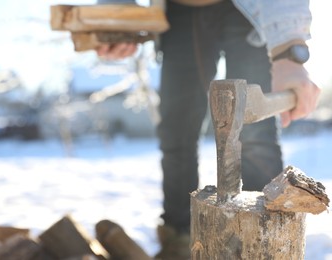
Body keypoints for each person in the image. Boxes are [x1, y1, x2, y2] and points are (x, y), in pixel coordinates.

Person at [96, 0, 320, 259]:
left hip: (250, 11)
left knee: (256, 135)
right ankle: (179, 241)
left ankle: (265, 242)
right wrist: (118, 11)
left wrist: (288, 52)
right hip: (180, 12)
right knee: (176, 136)